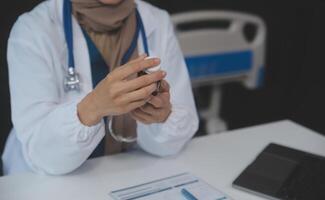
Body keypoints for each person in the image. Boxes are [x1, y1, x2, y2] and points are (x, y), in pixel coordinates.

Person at [2, 0, 198, 175]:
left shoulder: (157, 20)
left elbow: (174, 143)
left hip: (126, 173)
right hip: (44, 182)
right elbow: (42, 156)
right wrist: (93, 108)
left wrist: (162, 116)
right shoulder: (34, 28)